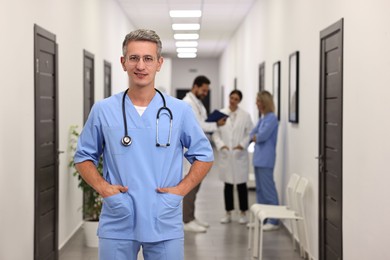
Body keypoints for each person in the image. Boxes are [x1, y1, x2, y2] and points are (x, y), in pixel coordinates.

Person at [73, 29, 214, 260]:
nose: (141, 65)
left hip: (163, 216)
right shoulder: (104, 110)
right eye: (134, 58)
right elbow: (83, 156)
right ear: (123, 62)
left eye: (148, 58)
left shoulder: (179, 111)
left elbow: (204, 156)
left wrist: (180, 191)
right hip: (119, 217)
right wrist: (103, 188)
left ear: (159, 63)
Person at [182, 75, 227, 233]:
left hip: (199, 150)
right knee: (190, 185)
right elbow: (198, 126)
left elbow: (203, 122)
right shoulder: (187, 103)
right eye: (203, 90)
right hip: (191, 151)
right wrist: (216, 124)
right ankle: (186, 220)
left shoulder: (198, 103)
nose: (205, 93)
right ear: (195, 86)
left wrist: (212, 123)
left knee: (196, 185)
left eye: (207, 91)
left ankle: (191, 217)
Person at [212, 90, 253, 224]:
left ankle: (243, 212)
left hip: (239, 154)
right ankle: (228, 213)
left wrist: (242, 144)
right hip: (226, 154)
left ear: (239, 101)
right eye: (231, 98)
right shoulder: (220, 114)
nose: (233, 101)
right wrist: (221, 145)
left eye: (236, 99)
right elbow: (215, 133)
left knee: (241, 185)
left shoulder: (245, 116)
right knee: (228, 185)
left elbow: (250, 133)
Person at [249, 90, 280, 231]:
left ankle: (273, 221)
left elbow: (261, 136)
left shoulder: (272, 119)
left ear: (264, 102)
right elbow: (252, 134)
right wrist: (255, 136)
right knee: (260, 191)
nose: (256, 103)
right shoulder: (262, 119)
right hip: (258, 159)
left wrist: (256, 136)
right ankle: (263, 218)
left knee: (268, 190)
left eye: (258, 101)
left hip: (266, 160)